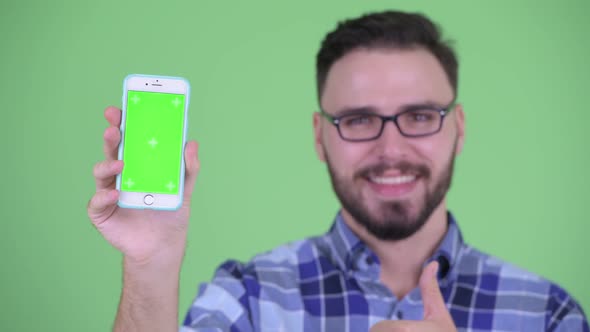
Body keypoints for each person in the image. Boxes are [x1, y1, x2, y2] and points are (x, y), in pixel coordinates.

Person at [88, 10, 589, 332]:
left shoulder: (549, 315)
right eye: (358, 119)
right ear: (319, 135)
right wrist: (151, 264)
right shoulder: (248, 298)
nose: (391, 148)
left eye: (419, 116)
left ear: (457, 127)